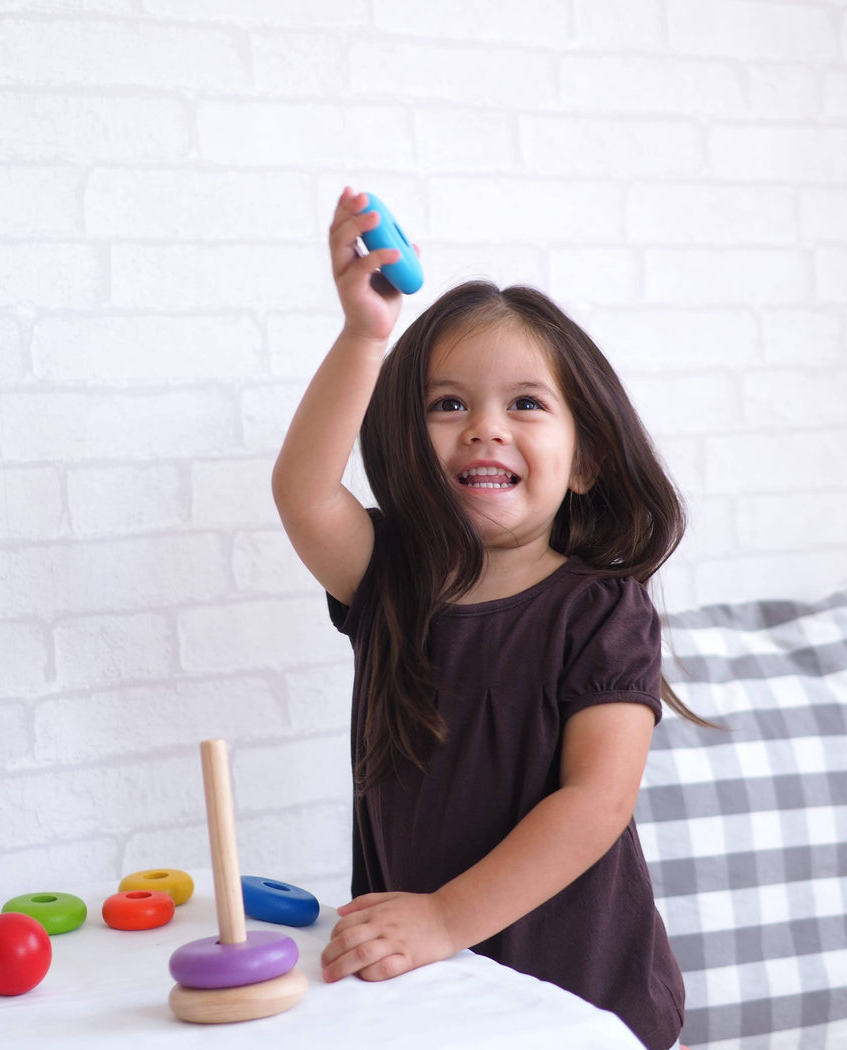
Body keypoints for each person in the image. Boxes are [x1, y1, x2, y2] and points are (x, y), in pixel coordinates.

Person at [271, 188, 705, 1050]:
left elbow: (596, 800)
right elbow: (304, 492)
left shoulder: (600, 608)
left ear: (584, 463)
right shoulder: (391, 580)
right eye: (448, 405)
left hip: (585, 1002)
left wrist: (445, 916)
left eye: (526, 405)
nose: (484, 430)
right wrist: (365, 335)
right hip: (432, 996)